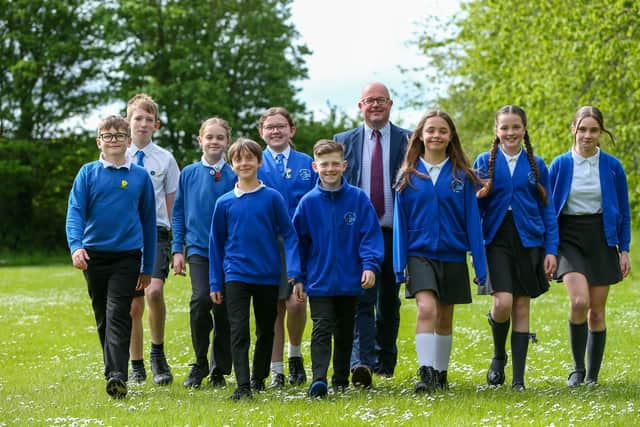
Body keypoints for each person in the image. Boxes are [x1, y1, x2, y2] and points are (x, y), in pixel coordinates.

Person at [393, 110, 487, 393]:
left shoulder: (462, 177)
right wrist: (400, 265)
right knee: (426, 309)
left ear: (450, 137)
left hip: (452, 254)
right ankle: (425, 373)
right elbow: (401, 224)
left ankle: (441, 374)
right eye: (430, 130)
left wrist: (480, 267)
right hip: (419, 254)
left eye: (442, 131)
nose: (436, 135)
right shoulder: (407, 177)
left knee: (445, 318)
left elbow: (473, 222)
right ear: (420, 135)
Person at [66, 115, 157, 398]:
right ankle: (113, 372)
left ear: (129, 141)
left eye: (120, 135)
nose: (114, 140)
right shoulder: (88, 173)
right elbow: (75, 212)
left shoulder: (140, 176)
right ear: (99, 141)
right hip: (94, 257)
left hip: (127, 257)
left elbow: (149, 223)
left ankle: (118, 374)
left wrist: (148, 265)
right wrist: (76, 246)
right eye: (108, 136)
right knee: (103, 316)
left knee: (119, 311)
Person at [209, 138, 302, 401]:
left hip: (267, 275)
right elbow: (215, 245)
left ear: (259, 162)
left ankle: (258, 377)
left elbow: (289, 234)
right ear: (232, 164)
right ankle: (242, 386)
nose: (244, 163)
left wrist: (294, 272)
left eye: (249, 158)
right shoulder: (224, 203)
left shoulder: (272, 198)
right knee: (238, 330)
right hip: (235, 275)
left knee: (266, 330)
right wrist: (216, 282)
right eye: (238, 159)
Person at [474, 105, 558, 390]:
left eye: (515, 127)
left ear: (524, 130)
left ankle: (519, 380)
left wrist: (551, 249)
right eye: (505, 128)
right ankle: (499, 356)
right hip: (496, 239)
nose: (510, 133)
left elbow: (548, 211)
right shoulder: (484, 162)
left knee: (522, 305)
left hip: (530, 240)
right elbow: (475, 209)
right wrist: (475, 250)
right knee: (503, 303)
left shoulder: (537, 165)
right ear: (497, 131)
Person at [292, 140, 384, 398]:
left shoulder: (358, 199)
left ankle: (341, 378)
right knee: (322, 326)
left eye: (335, 164)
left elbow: (369, 236)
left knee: (345, 330)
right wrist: (298, 276)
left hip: (350, 279)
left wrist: (369, 266)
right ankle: (318, 380)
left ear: (344, 165)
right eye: (324, 164)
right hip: (319, 280)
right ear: (315, 166)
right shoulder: (308, 203)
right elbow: (297, 242)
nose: (330, 169)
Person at [333, 82, 410, 385]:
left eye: (381, 100)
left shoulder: (408, 140)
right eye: (369, 101)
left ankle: (384, 363)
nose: (375, 105)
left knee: (389, 301)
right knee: (361, 299)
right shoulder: (343, 141)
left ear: (390, 104)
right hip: (358, 235)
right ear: (360, 106)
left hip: (394, 233)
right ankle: (361, 362)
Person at [549, 106, 631, 387]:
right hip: (569, 238)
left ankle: (593, 376)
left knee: (596, 310)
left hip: (601, 237)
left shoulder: (612, 166)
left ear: (601, 133)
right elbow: (548, 209)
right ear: (573, 129)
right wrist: (549, 248)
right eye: (582, 129)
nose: (587, 135)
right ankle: (577, 369)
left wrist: (625, 249)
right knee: (579, 302)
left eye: (593, 130)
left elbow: (623, 210)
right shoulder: (560, 164)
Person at [171, 117, 236, 388]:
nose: (214, 142)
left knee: (223, 309)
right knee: (200, 301)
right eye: (209, 137)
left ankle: (219, 368)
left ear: (227, 142)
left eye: (220, 137)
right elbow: (178, 213)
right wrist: (177, 249)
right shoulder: (188, 173)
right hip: (198, 249)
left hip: (229, 251)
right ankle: (199, 364)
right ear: (200, 140)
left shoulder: (235, 174)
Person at [257, 107, 316, 388]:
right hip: (267, 245)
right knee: (274, 309)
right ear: (262, 133)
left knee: (296, 302)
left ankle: (295, 355)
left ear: (292, 130)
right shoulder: (254, 164)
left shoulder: (308, 163)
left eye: (281, 126)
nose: (275, 131)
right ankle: (277, 369)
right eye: (270, 127)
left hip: (301, 244)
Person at [126, 93, 180, 386]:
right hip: (124, 236)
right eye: (138, 118)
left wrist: (177, 244)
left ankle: (157, 354)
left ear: (156, 125)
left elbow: (174, 206)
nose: (143, 124)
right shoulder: (115, 155)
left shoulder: (165, 159)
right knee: (133, 305)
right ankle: (136, 364)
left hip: (156, 233)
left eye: (149, 119)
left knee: (154, 292)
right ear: (128, 121)